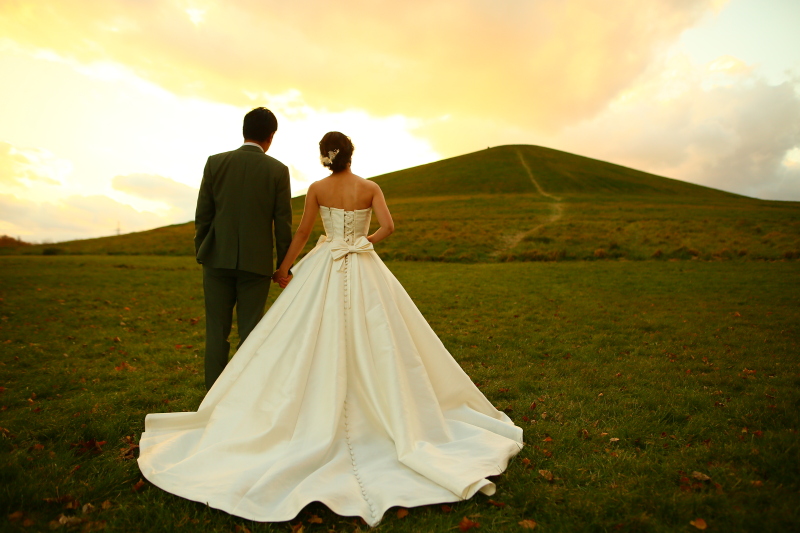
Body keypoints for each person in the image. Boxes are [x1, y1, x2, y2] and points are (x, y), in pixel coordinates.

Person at [138, 132, 523, 527]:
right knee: (383, 334)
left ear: (324, 157)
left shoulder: (318, 189)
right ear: (350, 155)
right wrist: (364, 242)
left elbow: (303, 233)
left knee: (303, 332)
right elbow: (389, 226)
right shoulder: (370, 187)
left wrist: (285, 268)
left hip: (326, 261)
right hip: (362, 262)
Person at [193, 107, 293, 390]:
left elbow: (203, 215)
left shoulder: (215, 163)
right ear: (271, 136)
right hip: (256, 264)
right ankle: (243, 395)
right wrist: (284, 267)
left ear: (244, 131)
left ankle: (212, 396)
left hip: (216, 259)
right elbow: (282, 224)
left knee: (216, 332)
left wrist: (203, 250)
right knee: (251, 334)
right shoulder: (278, 170)